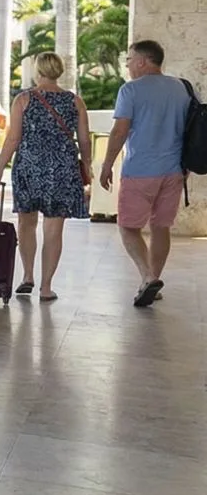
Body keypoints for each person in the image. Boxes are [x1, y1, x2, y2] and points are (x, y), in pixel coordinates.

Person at [0, 53, 90, 303]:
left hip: (29, 167)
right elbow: (84, 140)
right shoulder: (75, 101)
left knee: (26, 222)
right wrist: (87, 166)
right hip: (63, 169)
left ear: (38, 71)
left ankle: (28, 275)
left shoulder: (23, 99)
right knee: (54, 229)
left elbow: (13, 139)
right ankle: (46, 286)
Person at [99, 40, 191, 307]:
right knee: (161, 227)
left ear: (143, 61)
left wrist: (107, 164)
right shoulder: (181, 88)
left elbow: (119, 131)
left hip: (140, 170)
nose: (127, 65)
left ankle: (148, 276)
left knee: (128, 227)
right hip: (174, 170)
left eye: (129, 60)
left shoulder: (131, 90)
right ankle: (152, 282)